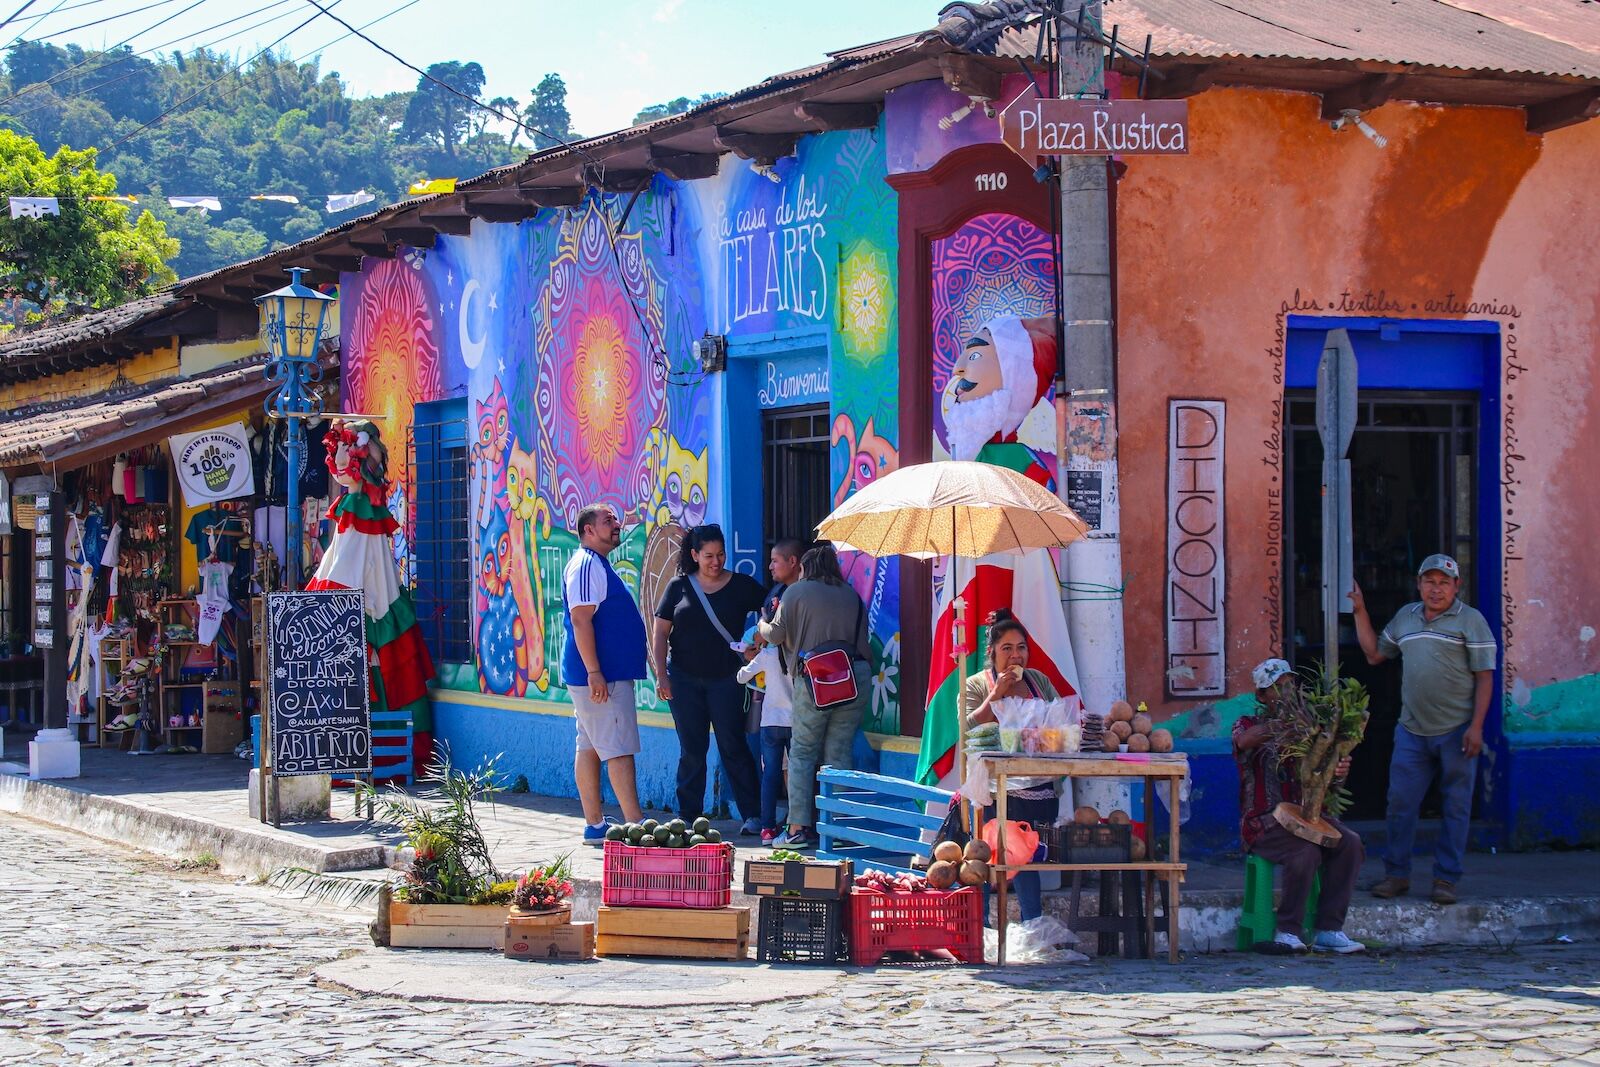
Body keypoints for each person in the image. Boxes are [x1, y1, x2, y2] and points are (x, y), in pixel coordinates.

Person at [1350, 554, 1497, 906]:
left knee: (1456, 806)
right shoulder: (1406, 617)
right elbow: (1374, 655)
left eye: (1444, 582)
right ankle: (1396, 874)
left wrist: (1476, 727)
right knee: (1400, 803)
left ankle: (1446, 879)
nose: (1436, 589)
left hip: (1457, 731)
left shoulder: (1471, 621)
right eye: (1429, 581)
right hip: (1412, 731)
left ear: (1456, 586)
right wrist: (1359, 609)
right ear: (1419, 584)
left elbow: (1485, 678)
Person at [1233, 658, 1366, 954]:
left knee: (1351, 844)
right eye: (1276, 688)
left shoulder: (1312, 728)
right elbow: (1244, 741)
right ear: (1262, 696)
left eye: (1289, 686)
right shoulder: (1249, 724)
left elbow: (1326, 783)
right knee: (1304, 851)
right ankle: (1288, 932)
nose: (1285, 693)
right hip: (1265, 823)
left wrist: (1338, 769)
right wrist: (1287, 724)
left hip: (1310, 817)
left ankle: (1329, 929)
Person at [653, 524, 766, 834]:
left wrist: (759, 641)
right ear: (694, 555)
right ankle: (687, 815)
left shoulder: (742, 585)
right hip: (684, 680)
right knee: (692, 749)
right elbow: (661, 634)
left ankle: (753, 815)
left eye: (720, 555)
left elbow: (772, 609)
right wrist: (661, 675)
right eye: (708, 556)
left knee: (734, 745)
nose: (715, 562)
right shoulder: (678, 587)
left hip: (727, 680)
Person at [759, 542, 870, 850]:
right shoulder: (851, 595)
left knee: (803, 753)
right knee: (838, 752)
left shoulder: (795, 591)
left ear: (805, 568)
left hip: (817, 680)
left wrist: (762, 624)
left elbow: (776, 635)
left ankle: (796, 829)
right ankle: (838, 828)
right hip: (854, 678)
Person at [963, 609, 1057, 923]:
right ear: (991, 653)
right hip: (993, 787)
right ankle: (983, 927)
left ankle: (1033, 923)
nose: (1015, 656)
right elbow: (968, 728)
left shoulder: (1038, 681)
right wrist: (997, 693)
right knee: (986, 856)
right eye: (1007, 648)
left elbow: (1058, 722)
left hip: (1036, 785)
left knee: (1025, 855)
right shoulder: (977, 685)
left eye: (1021, 648)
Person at [562, 504, 646, 845]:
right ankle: (638, 825)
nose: (616, 525)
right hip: (601, 676)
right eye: (607, 521)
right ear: (587, 531)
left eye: (615, 519)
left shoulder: (596, 564)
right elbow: (581, 620)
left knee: (592, 747)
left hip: (601, 673)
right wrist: (595, 671)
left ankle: (595, 826)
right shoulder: (585, 565)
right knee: (618, 748)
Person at [737, 629, 793, 845]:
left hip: (770, 723)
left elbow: (741, 678)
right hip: (795, 722)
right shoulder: (797, 653)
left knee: (770, 775)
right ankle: (794, 826)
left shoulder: (766, 656)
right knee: (795, 775)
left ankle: (767, 829)